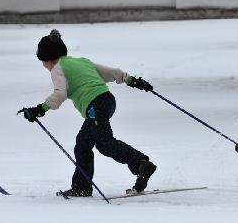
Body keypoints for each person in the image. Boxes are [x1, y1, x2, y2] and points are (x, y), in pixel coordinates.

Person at [19, 29, 157, 197]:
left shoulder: (57, 68)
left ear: (49, 58)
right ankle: (82, 186)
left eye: (43, 60)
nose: (43, 65)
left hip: (95, 105)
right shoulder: (81, 61)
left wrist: (40, 109)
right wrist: (132, 80)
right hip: (107, 101)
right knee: (84, 143)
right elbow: (113, 73)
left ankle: (141, 164)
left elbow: (60, 94)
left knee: (105, 143)